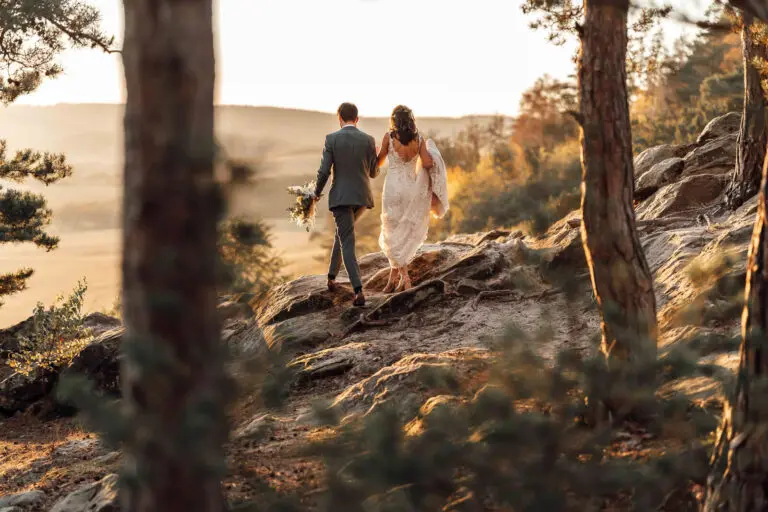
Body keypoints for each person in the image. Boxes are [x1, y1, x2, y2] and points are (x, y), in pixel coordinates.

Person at [313, 102, 379, 307]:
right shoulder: (368, 140)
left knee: (346, 239)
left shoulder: (332, 139)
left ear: (339, 118)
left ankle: (358, 291)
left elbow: (324, 171)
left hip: (341, 198)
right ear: (357, 119)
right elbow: (374, 173)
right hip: (361, 198)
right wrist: (375, 155)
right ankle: (332, 277)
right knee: (343, 234)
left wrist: (315, 193)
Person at [377, 105, 447, 292]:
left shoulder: (389, 138)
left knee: (392, 231)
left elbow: (378, 162)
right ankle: (393, 279)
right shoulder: (419, 139)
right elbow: (428, 163)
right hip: (410, 188)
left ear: (394, 120)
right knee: (403, 232)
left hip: (392, 188)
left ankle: (405, 280)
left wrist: (374, 153)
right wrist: (432, 153)